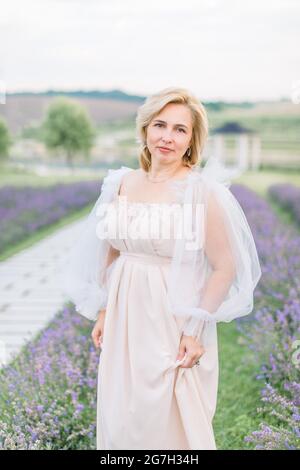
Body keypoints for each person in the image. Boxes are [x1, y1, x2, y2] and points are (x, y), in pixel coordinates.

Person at [62, 87, 262, 450]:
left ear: (192, 141)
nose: (167, 137)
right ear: (145, 130)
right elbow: (110, 251)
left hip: (173, 313)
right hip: (125, 310)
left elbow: (224, 267)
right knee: (122, 410)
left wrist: (195, 328)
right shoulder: (120, 183)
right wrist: (105, 308)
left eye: (180, 129)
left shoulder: (201, 191)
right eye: (160, 125)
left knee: (167, 414)